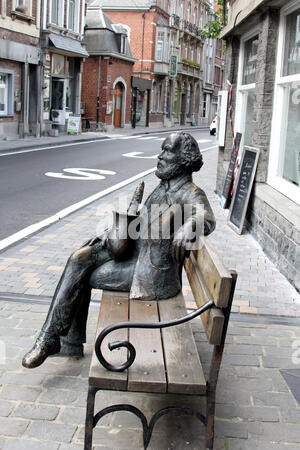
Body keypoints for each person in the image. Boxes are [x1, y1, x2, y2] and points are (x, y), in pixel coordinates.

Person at [22, 132, 216, 369]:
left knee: (81, 275)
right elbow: (144, 225)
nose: (160, 156)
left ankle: (57, 340)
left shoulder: (189, 192)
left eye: (167, 151)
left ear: (183, 159)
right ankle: (54, 340)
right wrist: (109, 233)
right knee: (79, 258)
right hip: (132, 252)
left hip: (145, 272)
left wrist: (191, 226)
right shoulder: (163, 187)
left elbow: (206, 217)